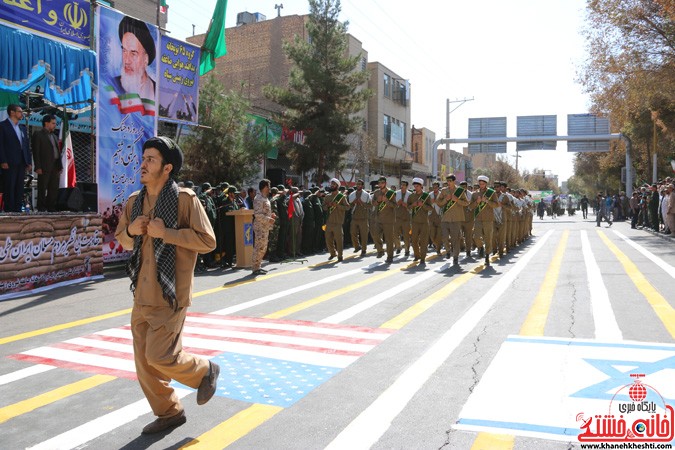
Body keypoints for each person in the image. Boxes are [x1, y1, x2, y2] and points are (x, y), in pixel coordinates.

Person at [115, 136, 218, 435]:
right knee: (144, 366)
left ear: (167, 168)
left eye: (151, 160)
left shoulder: (185, 200)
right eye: (144, 158)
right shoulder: (134, 202)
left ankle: (205, 370)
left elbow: (207, 241)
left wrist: (168, 233)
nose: (143, 164)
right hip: (141, 294)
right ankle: (169, 412)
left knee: (160, 357)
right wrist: (132, 232)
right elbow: (121, 238)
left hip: (171, 294)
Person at [108, 16, 156, 114]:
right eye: (124, 51)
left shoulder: (157, 92)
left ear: (145, 59)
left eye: (133, 53)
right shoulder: (110, 87)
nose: (127, 60)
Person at [0, 104, 32, 212]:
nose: (21, 114)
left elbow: (26, 146)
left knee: (19, 188)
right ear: (12, 112)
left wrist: (28, 161)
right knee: (9, 187)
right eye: (19, 111)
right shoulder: (3, 126)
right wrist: (3, 160)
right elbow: (1, 145)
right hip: (9, 162)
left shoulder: (22, 128)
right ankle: (9, 210)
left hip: (21, 162)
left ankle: (17, 210)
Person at [435, 174, 469, 266]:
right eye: (448, 181)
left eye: (450, 181)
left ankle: (455, 257)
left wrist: (457, 200)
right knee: (444, 237)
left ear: (454, 181)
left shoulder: (460, 191)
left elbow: (466, 203)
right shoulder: (443, 191)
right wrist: (445, 200)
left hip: (456, 218)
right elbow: (438, 203)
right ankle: (448, 250)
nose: (449, 183)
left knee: (455, 239)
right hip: (445, 218)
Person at [31, 114, 62, 212]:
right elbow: (36, 151)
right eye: (53, 123)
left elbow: (57, 151)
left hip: (55, 165)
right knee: (42, 187)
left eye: (55, 123)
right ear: (46, 123)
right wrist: (38, 166)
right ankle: (41, 208)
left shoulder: (54, 136)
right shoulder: (38, 134)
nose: (55, 125)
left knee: (53, 188)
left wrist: (60, 166)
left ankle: (51, 207)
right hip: (44, 166)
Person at [472, 175, 499, 266]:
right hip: (478, 218)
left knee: (488, 238)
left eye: (483, 184)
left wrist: (487, 201)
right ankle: (480, 247)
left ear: (486, 184)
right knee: (476, 236)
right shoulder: (475, 194)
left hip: (488, 219)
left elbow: (496, 205)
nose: (481, 185)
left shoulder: (492, 193)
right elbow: (470, 206)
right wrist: (477, 202)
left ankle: (487, 256)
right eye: (480, 184)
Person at [252, 179, 277, 275]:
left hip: (265, 227)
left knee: (263, 248)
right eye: (269, 186)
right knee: (259, 247)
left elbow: (264, 212)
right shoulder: (258, 198)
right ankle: (255, 268)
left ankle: (258, 266)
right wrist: (268, 219)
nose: (270, 188)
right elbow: (258, 215)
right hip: (260, 227)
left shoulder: (265, 198)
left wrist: (271, 216)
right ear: (265, 187)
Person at [407, 177, 433, 265]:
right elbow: (408, 207)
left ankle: (422, 258)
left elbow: (431, 208)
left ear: (421, 186)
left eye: (417, 186)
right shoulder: (411, 196)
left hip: (424, 222)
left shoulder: (426, 196)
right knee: (413, 240)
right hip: (414, 222)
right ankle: (416, 255)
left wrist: (423, 205)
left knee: (424, 241)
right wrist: (413, 205)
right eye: (415, 185)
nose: (416, 187)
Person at [322, 178, 349, 261]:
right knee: (328, 239)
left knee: (339, 240)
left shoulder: (342, 197)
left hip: (338, 222)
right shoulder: (327, 197)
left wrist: (337, 205)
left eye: (333, 184)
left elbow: (347, 207)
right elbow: (324, 208)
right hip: (329, 222)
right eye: (331, 184)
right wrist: (328, 205)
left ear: (337, 186)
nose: (332, 185)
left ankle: (340, 255)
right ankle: (332, 253)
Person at [372, 176, 397, 263]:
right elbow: (373, 203)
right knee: (375, 235)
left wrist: (386, 201)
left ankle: (390, 256)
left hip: (388, 220)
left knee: (389, 239)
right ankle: (380, 250)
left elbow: (395, 205)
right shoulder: (376, 193)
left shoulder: (391, 193)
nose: (380, 184)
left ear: (385, 183)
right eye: (379, 183)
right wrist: (378, 201)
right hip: (378, 219)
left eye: (382, 183)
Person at [348, 179, 370, 257]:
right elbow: (349, 206)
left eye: (360, 184)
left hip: (363, 218)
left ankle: (363, 250)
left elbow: (370, 206)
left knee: (364, 235)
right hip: (354, 217)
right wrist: (353, 203)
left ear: (362, 185)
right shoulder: (352, 195)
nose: (358, 185)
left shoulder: (366, 195)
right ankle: (357, 246)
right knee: (353, 233)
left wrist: (362, 202)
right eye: (357, 184)